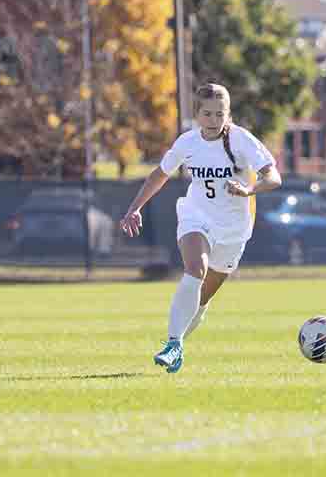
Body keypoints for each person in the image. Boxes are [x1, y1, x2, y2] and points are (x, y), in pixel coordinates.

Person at [120, 83, 282, 373]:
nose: (213, 120)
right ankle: (172, 344)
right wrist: (135, 207)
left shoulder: (242, 141)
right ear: (197, 114)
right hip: (196, 216)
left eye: (220, 114)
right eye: (207, 114)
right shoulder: (188, 142)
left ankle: (178, 342)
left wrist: (248, 189)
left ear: (228, 113)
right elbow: (160, 174)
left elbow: (274, 178)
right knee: (196, 267)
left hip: (234, 229)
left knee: (202, 297)